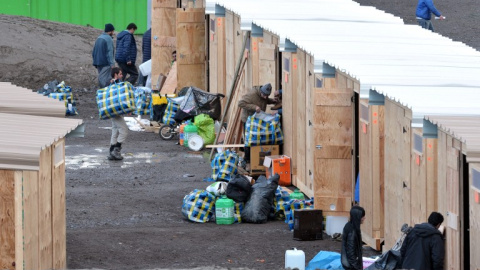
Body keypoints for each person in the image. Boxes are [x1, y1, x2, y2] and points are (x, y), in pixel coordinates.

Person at [238, 83, 276, 163]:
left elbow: (264, 100)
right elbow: (240, 103)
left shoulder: (263, 94)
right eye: (264, 95)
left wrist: (272, 101)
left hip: (256, 120)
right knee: (249, 140)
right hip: (248, 120)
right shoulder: (252, 94)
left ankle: (254, 159)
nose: (265, 97)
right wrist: (254, 107)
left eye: (267, 96)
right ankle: (247, 160)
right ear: (261, 92)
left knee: (257, 139)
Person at [107, 67, 129, 161]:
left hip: (112, 111)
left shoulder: (110, 83)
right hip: (115, 112)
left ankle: (111, 152)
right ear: (115, 75)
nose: (122, 75)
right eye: (120, 74)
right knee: (124, 130)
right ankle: (116, 150)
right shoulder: (115, 84)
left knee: (115, 131)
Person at [341, 205, 366, 270]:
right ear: (358, 217)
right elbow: (351, 253)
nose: (364, 218)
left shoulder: (351, 226)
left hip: (350, 263)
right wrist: (357, 267)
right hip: (351, 266)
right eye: (362, 216)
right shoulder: (352, 231)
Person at [92, 23, 115, 88]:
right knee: (105, 79)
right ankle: (105, 93)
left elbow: (93, 51)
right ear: (110, 31)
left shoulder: (99, 38)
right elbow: (109, 52)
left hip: (98, 62)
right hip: (105, 63)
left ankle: (102, 92)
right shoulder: (108, 39)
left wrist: (94, 61)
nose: (113, 33)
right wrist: (112, 64)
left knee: (102, 78)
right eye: (113, 31)